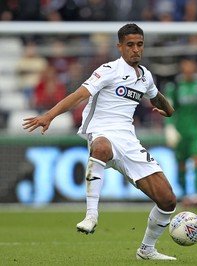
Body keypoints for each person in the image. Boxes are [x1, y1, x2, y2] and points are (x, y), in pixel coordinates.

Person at [23, 23, 178, 261]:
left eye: (139, 44)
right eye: (130, 45)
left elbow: (156, 97)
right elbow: (79, 95)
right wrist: (49, 116)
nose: (135, 50)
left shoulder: (145, 76)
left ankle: (146, 250)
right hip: (102, 131)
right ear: (120, 47)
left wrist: (168, 111)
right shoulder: (108, 70)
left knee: (168, 200)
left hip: (129, 140)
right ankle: (91, 215)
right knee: (102, 147)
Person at [164, 57, 197, 206]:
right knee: (181, 164)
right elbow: (169, 108)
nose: (188, 69)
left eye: (191, 65)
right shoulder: (174, 87)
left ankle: (195, 195)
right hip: (181, 131)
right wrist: (169, 127)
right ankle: (183, 194)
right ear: (182, 67)